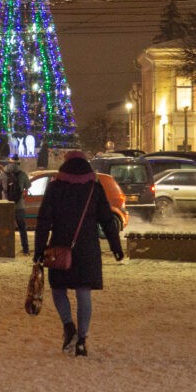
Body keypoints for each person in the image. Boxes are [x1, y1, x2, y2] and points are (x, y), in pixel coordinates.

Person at [34, 150, 123, 357]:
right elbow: (107, 220)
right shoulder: (94, 188)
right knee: (84, 292)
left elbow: (43, 221)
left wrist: (39, 250)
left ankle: (68, 326)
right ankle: (82, 339)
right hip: (87, 249)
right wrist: (116, 247)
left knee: (58, 288)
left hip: (60, 246)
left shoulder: (55, 187)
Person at [0, 156, 31, 254]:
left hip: (6, 206)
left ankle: (6, 250)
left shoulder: (3, 174)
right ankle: (25, 249)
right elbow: (28, 186)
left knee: (6, 228)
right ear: (18, 163)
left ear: (9, 163)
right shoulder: (22, 174)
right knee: (22, 228)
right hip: (19, 206)